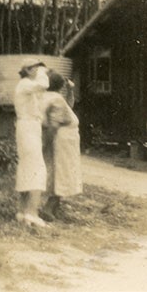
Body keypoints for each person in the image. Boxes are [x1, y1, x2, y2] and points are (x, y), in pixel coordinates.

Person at [40, 71, 83, 222]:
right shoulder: (55, 98)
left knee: (62, 172)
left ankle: (54, 208)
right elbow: (55, 124)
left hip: (66, 138)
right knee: (62, 172)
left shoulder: (51, 97)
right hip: (62, 139)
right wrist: (48, 142)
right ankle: (49, 207)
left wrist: (70, 90)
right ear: (59, 85)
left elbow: (68, 107)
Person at [13, 57, 50, 228]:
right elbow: (44, 84)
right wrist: (43, 73)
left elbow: (41, 96)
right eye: (35, 68)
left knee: (28, 167)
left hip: (29, 127)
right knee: (37, 169)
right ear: (27, 70)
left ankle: (22, 212)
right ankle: (31, 213)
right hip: (28, 127)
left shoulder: (27, 87)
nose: (38, 71)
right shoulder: (26, 83)